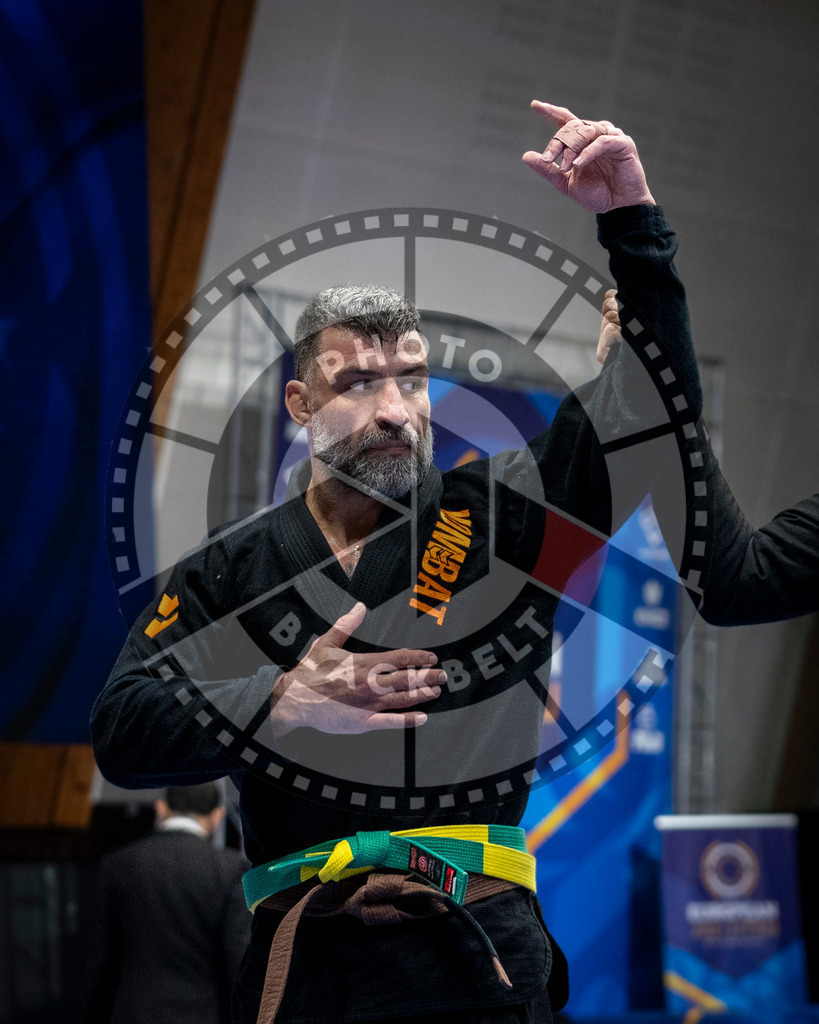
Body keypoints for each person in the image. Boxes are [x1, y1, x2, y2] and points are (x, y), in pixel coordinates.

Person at [91, 100, 817, 1024]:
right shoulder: (232, 573)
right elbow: (122, 728)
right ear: (300, 406)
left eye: (412, 377)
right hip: (306, 965)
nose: (395, 408)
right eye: (357, 383)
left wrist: (632, 222)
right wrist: (279, 701)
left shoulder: (502, 517)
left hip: (475, 961)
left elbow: (645, 407)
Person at [83, 782, 250, 1024]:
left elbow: (100, 962)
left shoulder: (118, 864)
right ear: (217, 815)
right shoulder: (230, 870)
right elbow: (238, 962)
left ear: (161, 808)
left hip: (133, 1014)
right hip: (204, 1015)